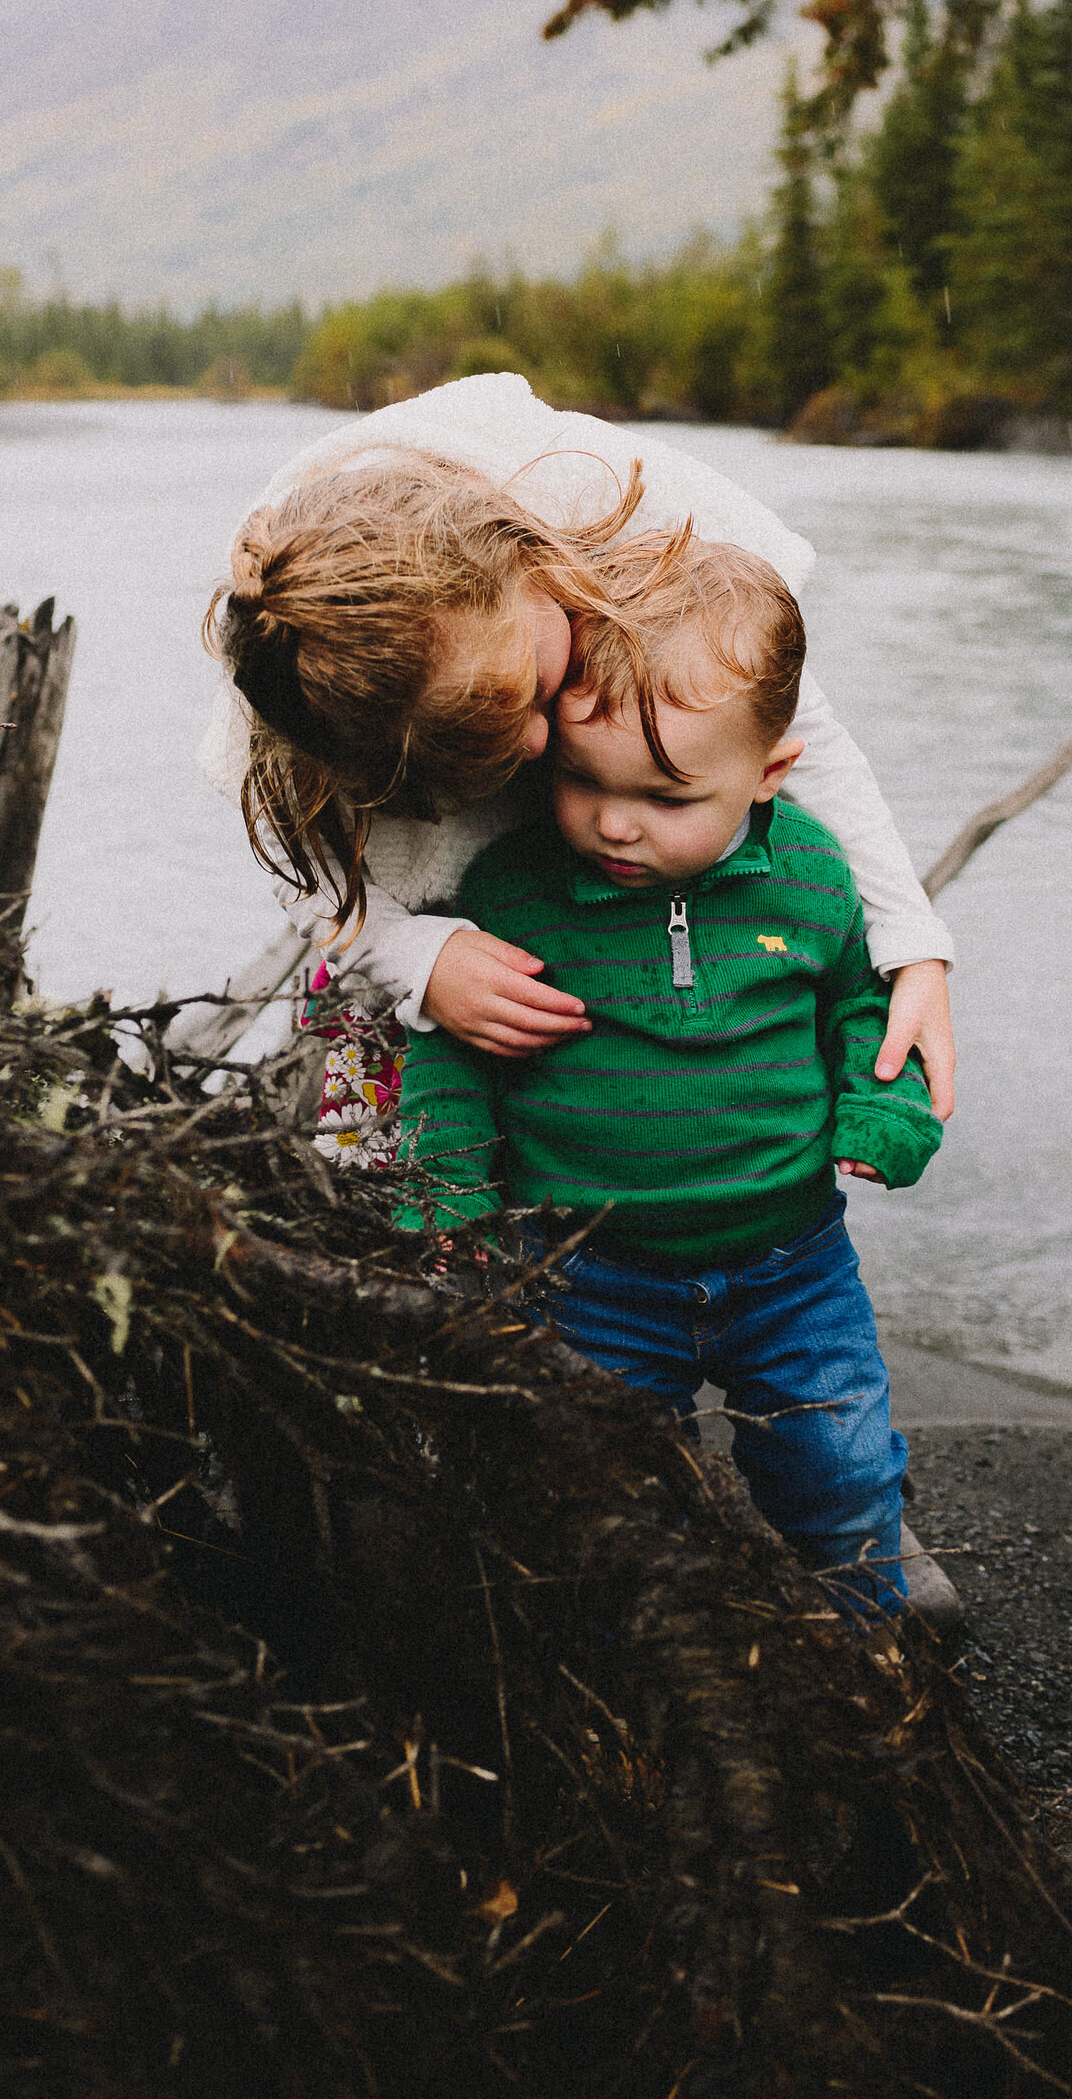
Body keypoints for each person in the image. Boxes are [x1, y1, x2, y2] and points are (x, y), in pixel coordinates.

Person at [395, 536, 959, 1628]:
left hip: (793, 1267)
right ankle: (650, 1638)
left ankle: (868, 1617)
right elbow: (447, 1048)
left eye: (665, 795)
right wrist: (443, 1185)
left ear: (771, 773)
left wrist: (885, 1107)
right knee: (608, 1483)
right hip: (585, 1271)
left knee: (836, 1463)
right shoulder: (514, 892)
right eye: (581, 780)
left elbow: (858, 1004)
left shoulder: (809, 878)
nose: (614, 821)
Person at [201, 373, 956, 1131]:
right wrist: (410, 955)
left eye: (532, 689)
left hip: (601, 904)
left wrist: (909, 936)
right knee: (404, 1185)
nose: (536, 743)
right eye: (476, 742)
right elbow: (291, 839)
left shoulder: (585, 495)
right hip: (418, 961)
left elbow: (784, 719)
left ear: (532, 562)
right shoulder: (291, 658)